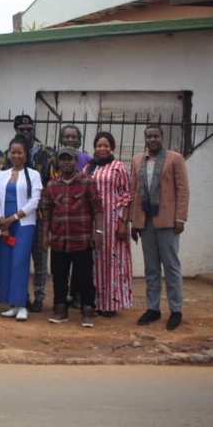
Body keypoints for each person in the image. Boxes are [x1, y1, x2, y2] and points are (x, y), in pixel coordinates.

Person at [130, 125, 190, 331]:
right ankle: (153, 309)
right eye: (149, 136)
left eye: (156, 136)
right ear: (145, 139)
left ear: (162, 138)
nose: (152, 139)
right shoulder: (138, 160)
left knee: (171, 266)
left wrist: (180, 218)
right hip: (145, 221)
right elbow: (133, 191)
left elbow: (182, 189)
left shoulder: (175, 159)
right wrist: (133, 221)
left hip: (167, 220)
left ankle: (176, 310)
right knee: (151, 268)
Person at [42, 147, 103, 328]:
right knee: (59, 276)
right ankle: (60, 309)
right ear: (58, 162)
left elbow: (97, 209)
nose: (66, 162)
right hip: (59, 240)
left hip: (82, 238)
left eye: (69, 159)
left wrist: (98, 233)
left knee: (84, 277)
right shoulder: (52, 185)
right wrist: (45, 235)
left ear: (76, 161)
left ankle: (87, 310)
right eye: (63, 159)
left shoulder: (88, 182)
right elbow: (47, 212)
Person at [5, 114, 53, 312]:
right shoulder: (8, 155)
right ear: (16, 131)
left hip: (40, 215)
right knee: (19, 257)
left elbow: (51, 184)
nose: (26, 133)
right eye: (21, 130)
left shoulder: (46, 153)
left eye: (29, 129)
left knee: (40, 257)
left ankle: (39, 296)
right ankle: (21, 296)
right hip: (16, 215)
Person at [0, 136, 43, 322]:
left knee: (19, 263)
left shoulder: (33, 175)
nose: (16, 156)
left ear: (25, 154)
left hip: (23, 224)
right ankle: (12, 305)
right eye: (13, 152)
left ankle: (22, 304)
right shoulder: (2, 174)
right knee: (6, 262)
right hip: (5, 224)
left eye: (19, 152)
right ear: (8, 153)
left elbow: (34, 201)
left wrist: (12, 219)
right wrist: (1, 220)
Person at [85, 132, 133, 317]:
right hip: (93, 221)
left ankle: (112, 304)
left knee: (113, 262)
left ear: (112, 147)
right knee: (95, 262)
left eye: (106, 145)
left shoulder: (119, 167)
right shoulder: (89, 168)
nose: (102, 149)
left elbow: (126, 196)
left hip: (114, 222)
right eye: (99, 145)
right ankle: (96, 302)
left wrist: (123, 223)